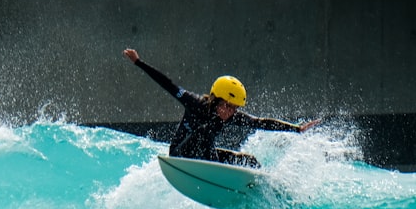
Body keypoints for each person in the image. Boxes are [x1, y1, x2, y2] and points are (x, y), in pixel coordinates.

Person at [122, 48, 320, 168]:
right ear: (216, 99)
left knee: (249, 162)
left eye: (234, 108)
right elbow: (168, 83)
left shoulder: (231, 116)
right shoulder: (195, 103)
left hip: (206, 158)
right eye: (227, 106)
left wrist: (296, 129)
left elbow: (260, 123)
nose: (230, 112)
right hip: (181, 155)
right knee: (205, 131)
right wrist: (139, 62)